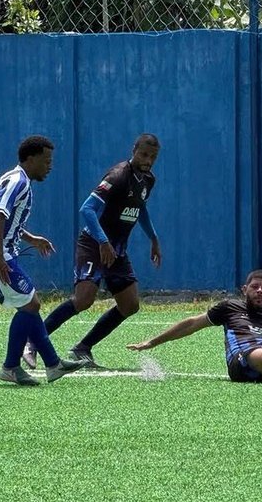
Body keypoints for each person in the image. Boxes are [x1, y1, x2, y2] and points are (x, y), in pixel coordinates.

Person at [34, 133, 162, 369]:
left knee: (130, 304)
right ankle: (33, 342)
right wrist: (103, 242)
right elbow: (88, 209)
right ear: (134, 150)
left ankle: (82, 348)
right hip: (94, 244)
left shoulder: (148, 180)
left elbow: (140, 209)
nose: (148, 160)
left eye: (153, 157)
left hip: (117, 250)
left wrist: (153, 238)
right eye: (144, 154)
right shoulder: (118, 176)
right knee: (83, 300)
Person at [0, 135, 85, 385]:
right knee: (30, 305)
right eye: (46, 161)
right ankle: (13, 367)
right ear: (30, 159)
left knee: (30, 304)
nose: (49, 166)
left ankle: (52, 364)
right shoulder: (18, 182)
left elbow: (5, 217)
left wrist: (31, 238)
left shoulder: (13, 179)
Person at [126, 269, 262, 382]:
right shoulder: (231, 307)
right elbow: (192, 324)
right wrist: (152, 342)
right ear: (245, 289)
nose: (259, 291)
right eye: (255, 287)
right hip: (243, 360)